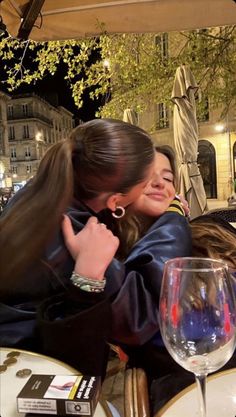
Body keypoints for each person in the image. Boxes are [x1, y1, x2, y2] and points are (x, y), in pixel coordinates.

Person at [0, 118, 155, 377]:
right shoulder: (77, 234)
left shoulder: (36, 196)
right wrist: (173, 214)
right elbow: (141, 320)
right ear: (116, 199)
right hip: (25, 380)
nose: (152, 188)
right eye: (147, 182)